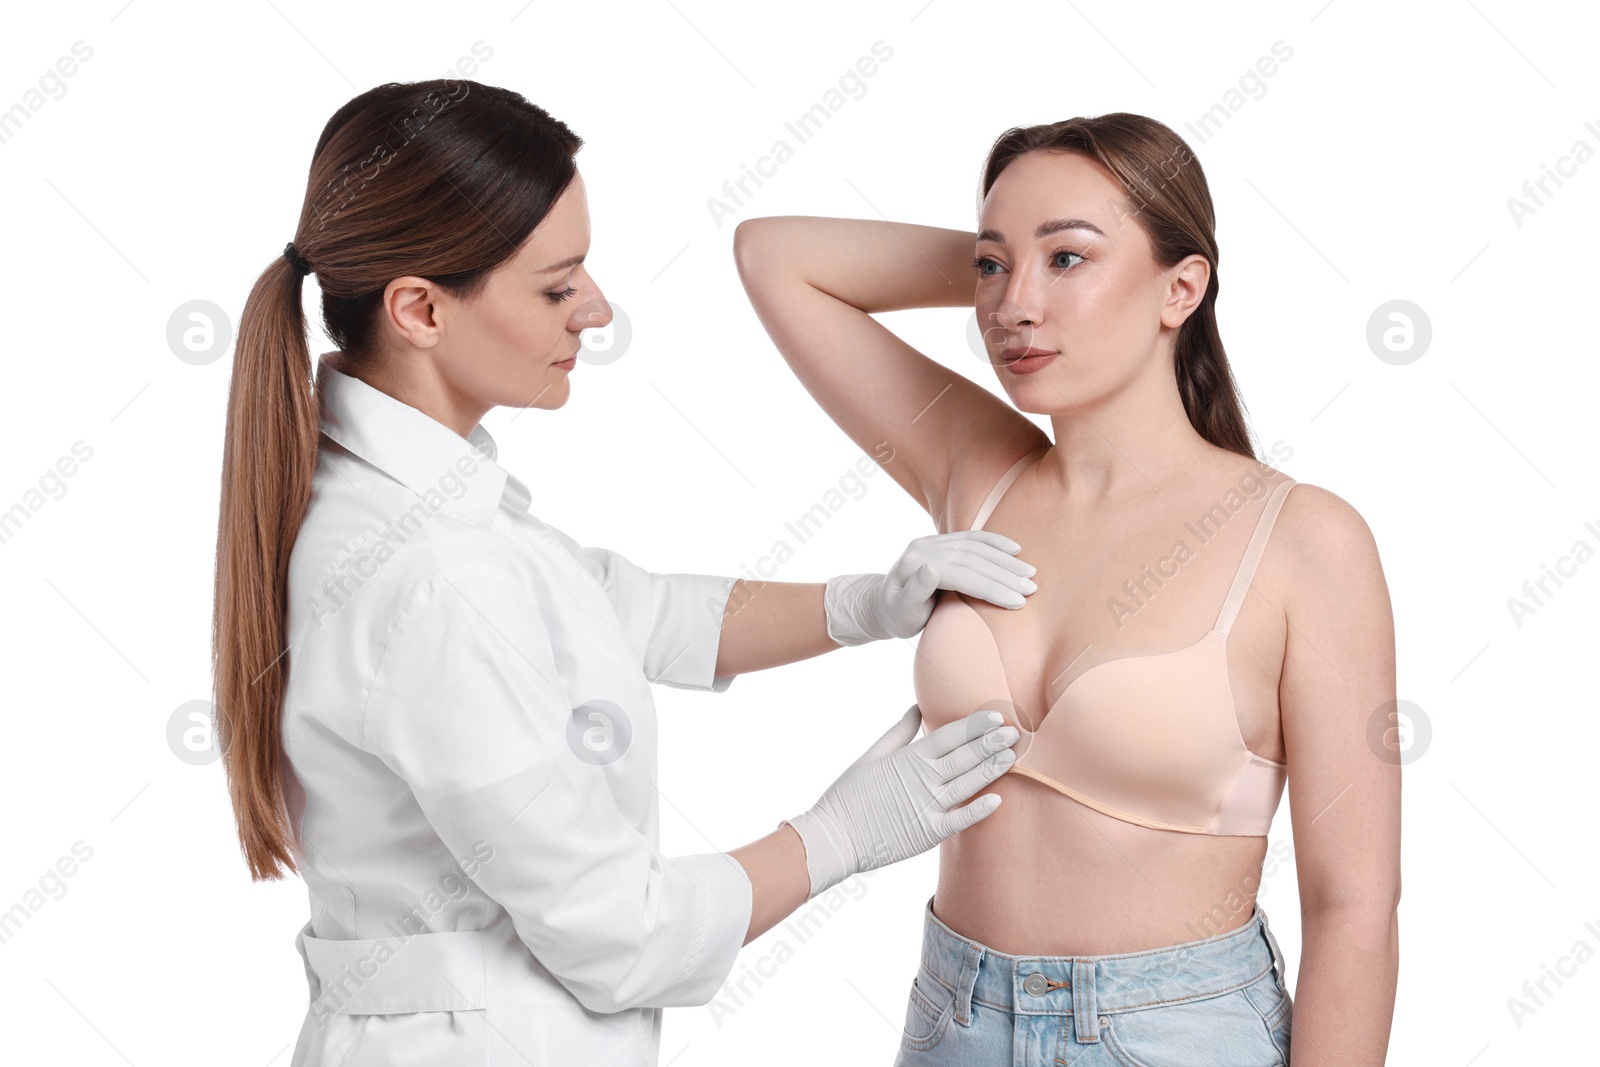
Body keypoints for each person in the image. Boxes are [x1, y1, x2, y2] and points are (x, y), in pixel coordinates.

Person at [212, 78, 1042, 1066]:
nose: (597, 310)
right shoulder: (435, 576)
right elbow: (623, 933)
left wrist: (862, 604)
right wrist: (841, 833)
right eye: (557, 285)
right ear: (421, 310)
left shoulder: (422, 508)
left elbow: (630, 609)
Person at [734, 113, 1400, 1065]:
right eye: (994, 268)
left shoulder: (1302, 540)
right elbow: (773, 256)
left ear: (1184, 286)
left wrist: (1032, 259)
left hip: (1179, 1031)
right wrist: (1021, 260)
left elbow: (1355, 911)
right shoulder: (979, 468)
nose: (1012, 308)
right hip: (954, 1019)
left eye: (1069, 260)